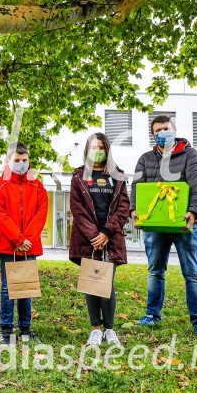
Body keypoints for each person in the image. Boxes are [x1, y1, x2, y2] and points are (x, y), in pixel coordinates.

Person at [132, 115, 197, 339]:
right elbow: (136, 186)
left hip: (184, 223)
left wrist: (194, 212)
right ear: (152, 135)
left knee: (192, 273)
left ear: (174, 130)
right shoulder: (145, 158)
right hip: (156, 226)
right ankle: (152, 314)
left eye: (165, 128)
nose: (162, 133)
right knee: (155, 272)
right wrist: (133, 210)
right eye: (157, 130)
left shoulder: (190, 155)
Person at [69, 133, 130, 346]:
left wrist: (106, 233)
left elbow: (123, 208)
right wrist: (94, 235)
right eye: (94, 147)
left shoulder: (117, 176)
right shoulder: (79, 176)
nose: (98, 151)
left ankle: (109, 329)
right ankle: (95, 329)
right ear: (87, 150)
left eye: (102, 147)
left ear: (107, 150)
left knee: (106, 284)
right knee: (91, 284)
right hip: (88, 239)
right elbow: (77, 208)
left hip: (110, 239)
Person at [0, 142, 48, 345]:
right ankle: (6, 330)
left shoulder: (37, 186)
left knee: (26, 288)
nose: (21, 163)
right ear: (8, 160)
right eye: (17, 160)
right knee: (8, 288)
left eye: (24, 160)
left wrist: (27, 239)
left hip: (29, 245)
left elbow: (41, 213)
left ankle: (25, 328)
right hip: (8, 244)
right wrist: (17, 239)